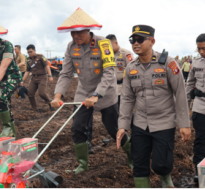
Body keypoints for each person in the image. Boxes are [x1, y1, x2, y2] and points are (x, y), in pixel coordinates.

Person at [51, 8, 132, 174]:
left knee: (114, 130)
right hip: (83, 94)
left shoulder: (103, 44)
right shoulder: (71, 47)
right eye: (73, 33)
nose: (75, 36)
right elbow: (66, 72)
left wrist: (97, 95)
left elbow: (109, 72)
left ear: (88, 30)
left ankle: (133, 156)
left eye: (79, 32)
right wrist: (57, 95)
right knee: (77, 128)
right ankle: (82, 164)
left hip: (106, 94)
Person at [117, 25, 191, 188]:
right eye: (132, 40)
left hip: (163, 123)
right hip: (140, 123)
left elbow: (180, 93)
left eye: (140, 40)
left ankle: (165, 178)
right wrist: (123, 126)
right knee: (139, 165)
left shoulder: (168, 63)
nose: (135, 43)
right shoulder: (131, 68)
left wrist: (184, 124)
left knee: (161, 165)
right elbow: (127, 99)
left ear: (152, 41)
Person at [186, 33, 205, 183]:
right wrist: (185, 104)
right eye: (199, 49)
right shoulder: (196, 63)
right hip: (200, 108)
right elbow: (189, 83)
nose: (201, 52)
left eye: (204, 48)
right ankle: (200, 172)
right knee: (200, 140)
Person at [22, 44, 54, 112]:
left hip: (42, 77)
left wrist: (50, 76)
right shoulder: (28, 60)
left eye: (31, 52)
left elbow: (47, 66)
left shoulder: (41, 57)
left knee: (42, 93)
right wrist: (22, 80)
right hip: (34, 79)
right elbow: (27, 71)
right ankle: (35, 109)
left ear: (34, 50)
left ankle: (50, 102)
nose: (29, 53)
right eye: (28, 52)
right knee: (30, 94)